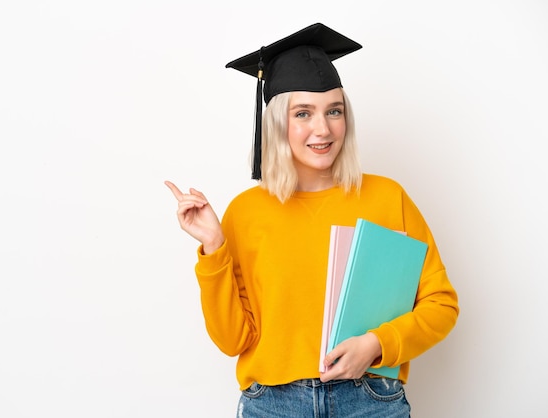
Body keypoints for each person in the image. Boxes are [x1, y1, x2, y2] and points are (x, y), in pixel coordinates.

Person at [165, 22, 459, 418]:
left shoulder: (387, 198)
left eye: (334, 111)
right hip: (272, 405)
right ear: (275, 123)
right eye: (303, 113)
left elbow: (441, 304)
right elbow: (234, 339)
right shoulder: (246, 212)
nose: (323, 129)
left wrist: (376, 343)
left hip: (370, 401)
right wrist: (214, 248)